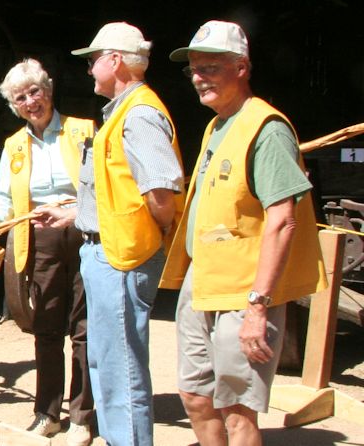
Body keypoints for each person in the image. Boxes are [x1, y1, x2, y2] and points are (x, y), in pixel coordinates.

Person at [161, 21, 327, 445]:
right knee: (196, 396)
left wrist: (258, 307)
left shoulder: (266, 129)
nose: (199, 78)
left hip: (244, 293)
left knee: (237, 411)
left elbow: (283, 220)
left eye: (211, 67)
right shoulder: (217, 125)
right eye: (194, 70)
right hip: (205, 280)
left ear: (242, 68)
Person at [34, 22, 185, 445]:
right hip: (107, 252)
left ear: (114, 60)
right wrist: (74, 215)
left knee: (122, 370)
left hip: (122, 257)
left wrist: (140, 236)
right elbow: (115, 188)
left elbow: (161, 196)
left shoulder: (138, 115)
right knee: (106, 363)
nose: (88, 70)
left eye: (93, 60)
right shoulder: (122, 112)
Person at [0, 59, 94, 445]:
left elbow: (102, 185)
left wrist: (74, 212)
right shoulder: (14, 145)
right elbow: (3, 199)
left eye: (35, 92)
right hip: (40, 238)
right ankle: (47, 412)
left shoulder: (84, 130)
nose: (31, 102)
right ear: (14, 106)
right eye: (21, 98)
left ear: (48, 90)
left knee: (84, 328)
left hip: (84, 231)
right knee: (46, 326)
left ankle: (81, 417)